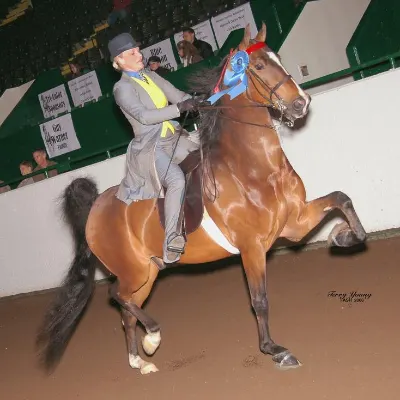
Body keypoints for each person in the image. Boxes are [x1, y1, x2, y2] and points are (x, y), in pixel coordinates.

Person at [108, 32, 206, 264]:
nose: (138, 54)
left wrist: (198, 101)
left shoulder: (150, 75)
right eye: (131, 53)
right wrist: (179, 109)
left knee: (205, 161)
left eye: (137, 49)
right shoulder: (122, 89)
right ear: (119, 61)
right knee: (176, 181)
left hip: (173, 137)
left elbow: (177, 95)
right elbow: (144, 116)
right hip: (152, 147)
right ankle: (171, 239)